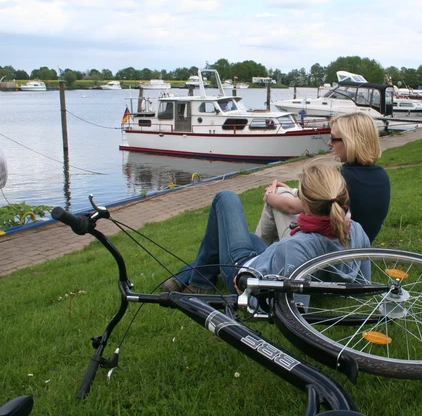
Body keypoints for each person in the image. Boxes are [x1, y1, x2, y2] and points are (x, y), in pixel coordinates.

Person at [162, 159, 370, 294]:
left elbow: (285, 302)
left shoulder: (295, 247)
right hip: (269, 259)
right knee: (246, 238)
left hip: (242, 269)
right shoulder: (357, 230)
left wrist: (244, 282)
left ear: (304, 202)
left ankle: (200, 283)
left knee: (225, 198)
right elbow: (363, 285)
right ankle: (189, 276)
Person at [255, 112, 390, 245]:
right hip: (357, 248)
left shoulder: (341, 178)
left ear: (350, 142)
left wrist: (269, 195)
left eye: (333, 138)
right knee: (286, 193)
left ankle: (257, 257)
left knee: (277, 195)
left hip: (323, 253)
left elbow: (291, 207)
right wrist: (295, 192)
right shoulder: (381, 175)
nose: (329, 143)